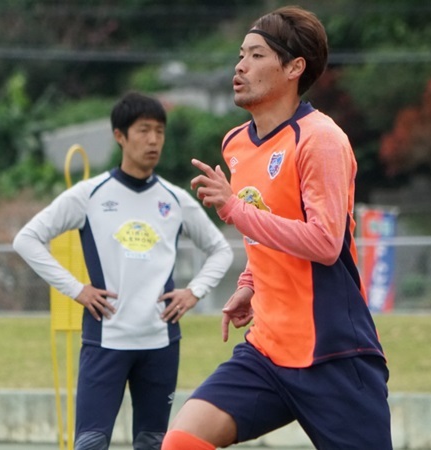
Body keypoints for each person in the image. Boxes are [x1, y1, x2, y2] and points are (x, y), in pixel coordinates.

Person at [162, 6, 392, 450]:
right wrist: (250, 282)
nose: (240, 66)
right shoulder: (235, 143)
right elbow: (268, 222)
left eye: (256, 55)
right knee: (182, 441)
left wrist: (233, 209)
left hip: (333, 354)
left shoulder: (320, 139)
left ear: (293, 68)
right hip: (266, 351)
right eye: (240, 55)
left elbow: (325, 243)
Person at [13, 91, 234, 450]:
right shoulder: (89, 194)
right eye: (144, 130)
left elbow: (220, 249)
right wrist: (76, 289)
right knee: (90, 443)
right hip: (105, 342)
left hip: (160, 343)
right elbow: (26, 239)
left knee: (152, 443)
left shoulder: (175, 199)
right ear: (120, 136)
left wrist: (194, 292)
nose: (153, 140)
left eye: (159, 131)